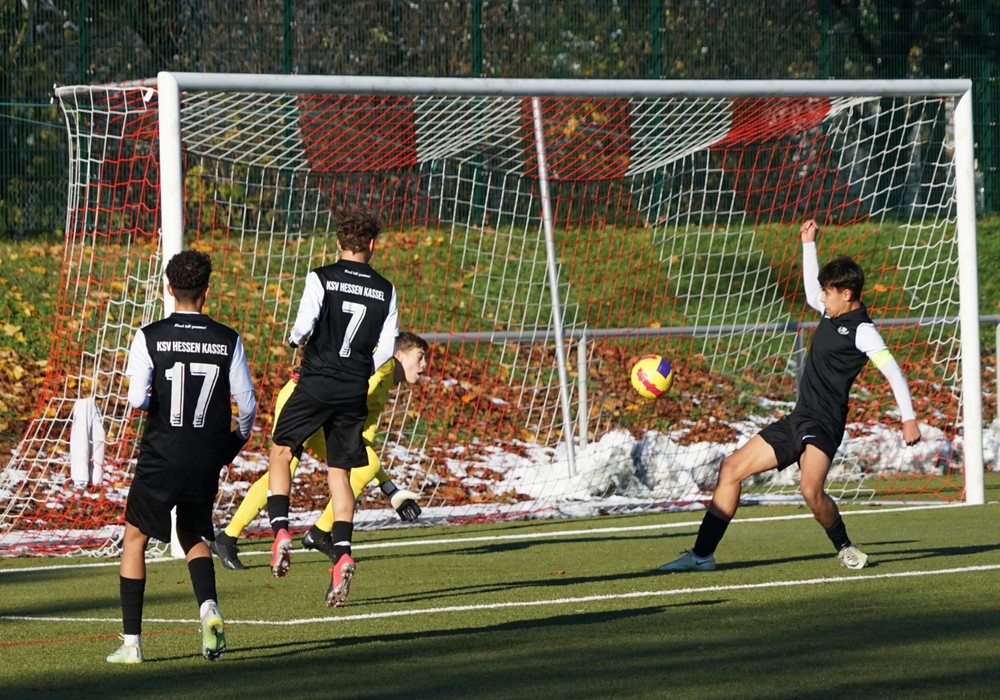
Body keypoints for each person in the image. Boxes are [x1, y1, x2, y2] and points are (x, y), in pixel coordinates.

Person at [659, 219, 921, 573]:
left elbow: (893, 371)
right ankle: (701, 555)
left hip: (825, 425)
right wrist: (808, 244)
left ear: (846, 295)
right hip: (800, 418)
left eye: (828, 292)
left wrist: (908, 418)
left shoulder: (863, 332)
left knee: (810, 491)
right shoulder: (830, 312)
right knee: (731, 468)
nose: (821, 298)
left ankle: (844, 546)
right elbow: (812, 291)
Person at [107, 250, 256, 663]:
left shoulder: (149, 336)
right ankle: (208, 610)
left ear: (169, 289)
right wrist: (233, 443)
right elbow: (247, 405)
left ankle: (131, 644)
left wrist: (155, 398)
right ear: (207, 290)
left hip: (162, 453)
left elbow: (136, 399)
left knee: (134, 539)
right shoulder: (228, 339)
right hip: (205, 456)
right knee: (192, 533)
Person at [265, 207, 398, 608]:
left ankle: (281, 530)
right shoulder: (386, 289)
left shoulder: (321, 277)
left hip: (317, 380)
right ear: (372, 245)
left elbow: (304, 325)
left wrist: (293, 341)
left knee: (282, 450)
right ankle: (342, 554)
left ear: (339, 243)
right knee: (340, 472)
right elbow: (388, 347)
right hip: (353, 389)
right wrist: (360, 370)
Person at [211, 331, 430, 573]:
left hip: (323, 411)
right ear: (398, 355)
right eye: (420, 356)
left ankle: (316, 533)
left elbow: (361, 444)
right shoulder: (379, 366)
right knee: (285, 468)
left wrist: (390, 489)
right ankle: (230, 537)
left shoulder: (384, 381)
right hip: (302, 401)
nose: (424, 365)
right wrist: (389, 488)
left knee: (364, 465)